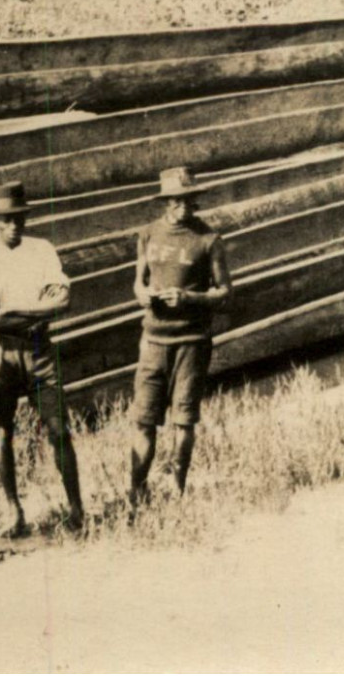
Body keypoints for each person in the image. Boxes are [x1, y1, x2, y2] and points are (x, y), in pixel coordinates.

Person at [0, 181, 84, 535]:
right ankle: (13, 510)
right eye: (6, 219)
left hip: (39, 349)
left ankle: (76, 507)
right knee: (2, 431)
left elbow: (64, 302)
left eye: (19, 217)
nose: (14, 225)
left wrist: (17, 310)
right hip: (1, 352)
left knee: (59, 429)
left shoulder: (42, 250)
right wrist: (38, 310)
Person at [130, 166, 231, 504]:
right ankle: (137, 489)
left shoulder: (208, 239)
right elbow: (138, 281)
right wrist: (143, 295)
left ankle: (177, 487)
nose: (183, 208)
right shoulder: (147, 234)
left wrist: (189, 298)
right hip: (153, 340)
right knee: (143, 419)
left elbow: (225, 291)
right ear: (165, 203)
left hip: (191, 341)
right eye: (176, 202)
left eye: (189, 202)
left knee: (183, 420)